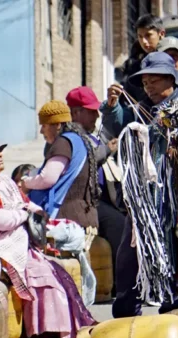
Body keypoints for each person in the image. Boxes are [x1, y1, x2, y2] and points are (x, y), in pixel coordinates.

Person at [0, 135, 95, 338]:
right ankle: (46, 332)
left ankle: (62, 331)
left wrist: (31, 212)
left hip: (17, 242)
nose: (0, 155)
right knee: (40, 273)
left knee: (55, 271)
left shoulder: (5, 182)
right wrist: (25, 214)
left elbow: (28, 204)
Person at [108, 52, 178, 318]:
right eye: (145, 83)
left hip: (177, 196)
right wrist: (112, 107)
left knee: (175, 249)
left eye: (154, 81)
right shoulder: (143, 107)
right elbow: (119, 127)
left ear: (171, 80)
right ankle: (127, 310)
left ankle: (175, 309)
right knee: (131, 250)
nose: (148, 87)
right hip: (145, 196)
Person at [66, 86, 124, 294]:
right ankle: (120, 284)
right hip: (84, 202)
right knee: (119, 226)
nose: (96, 116)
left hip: (102, 198)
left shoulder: (88, 135)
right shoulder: (69, 137)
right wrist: (107, 149)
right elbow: (86, 159)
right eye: (91, 112)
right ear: (76, 113)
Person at [22, 100, 100, 231]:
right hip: (80, 217)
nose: (41, 131)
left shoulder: (63, 142)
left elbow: (47, 179)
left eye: (44, 125)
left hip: (65, 221)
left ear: (57, 125)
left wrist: (26, 183)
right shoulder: (78, 140)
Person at [117, 15, 166, 104]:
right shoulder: (135, 66)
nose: (144, 41)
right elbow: (127, 98)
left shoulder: (172, 59)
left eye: (148, 35)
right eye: (140, 36)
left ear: (161, 34)